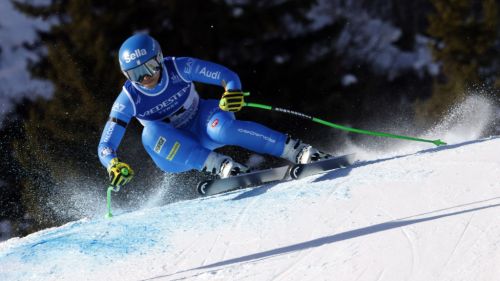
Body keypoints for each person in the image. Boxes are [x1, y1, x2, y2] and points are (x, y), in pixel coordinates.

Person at [98, 33, 329, 188]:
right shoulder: (128, 99)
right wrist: (113, 164)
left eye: (148, 68)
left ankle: (296, 151)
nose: (145, 78)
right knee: (149, 133)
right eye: (134, 74)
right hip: (174, 152)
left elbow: (226, 76)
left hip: (203, 123)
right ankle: (222, 166)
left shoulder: (179, 67)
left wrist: (232, 92)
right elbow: (106, 145)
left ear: (158, 59)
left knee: (223, 130)